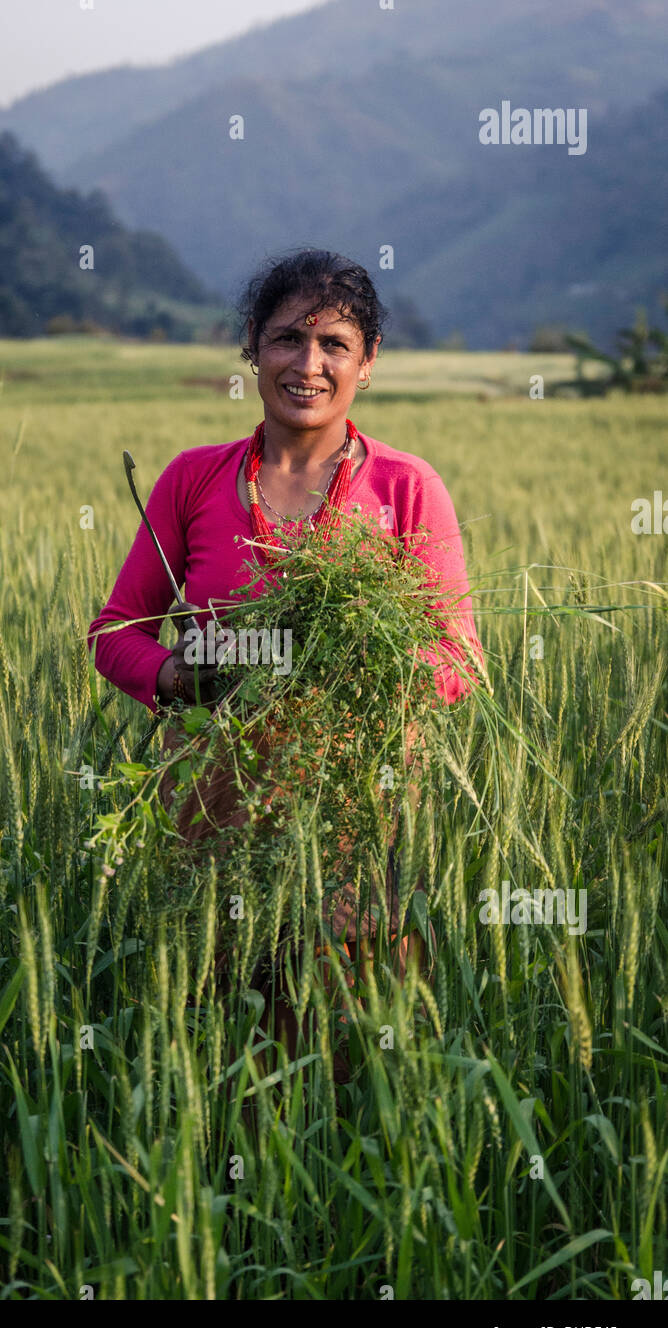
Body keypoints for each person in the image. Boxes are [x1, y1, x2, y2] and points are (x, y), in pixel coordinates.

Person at [87, 248, 486, 1073]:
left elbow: (460, 657)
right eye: (286, 340)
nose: (308, 365)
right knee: (223, 1069)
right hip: (213, 833)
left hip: (358, 836)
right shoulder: (193, 481)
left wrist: (363, 660)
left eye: (335, 344)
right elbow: (116, 631)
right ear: (252, 350)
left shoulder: (407, 489)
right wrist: (176, 676)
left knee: (355, 1074)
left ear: (367, 363)